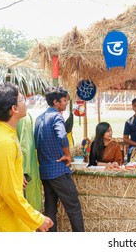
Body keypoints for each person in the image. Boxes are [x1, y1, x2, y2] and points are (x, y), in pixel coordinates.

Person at [0, 83, 52, 232]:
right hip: (3, 222)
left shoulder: (1, 131)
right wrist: (37, 219)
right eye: (22, 99)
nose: (26, 102)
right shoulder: (4, 142)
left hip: (8, 216)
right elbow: (9, 193)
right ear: (14, 109)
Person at [34, 86, 85, 232]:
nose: (66, 103)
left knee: (50, 209)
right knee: (73, 206)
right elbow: (62, 136)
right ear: (56, 102)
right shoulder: (56, 116)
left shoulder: (39, 118)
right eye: (64, 101)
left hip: (44, 170)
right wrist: (67, 154)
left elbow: (36, 144)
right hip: (58, 170)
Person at [17, 112, 43, 211]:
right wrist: (23, 171)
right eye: (21, 99)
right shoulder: (23, 117)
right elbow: (25, 145)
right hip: (25, 171)